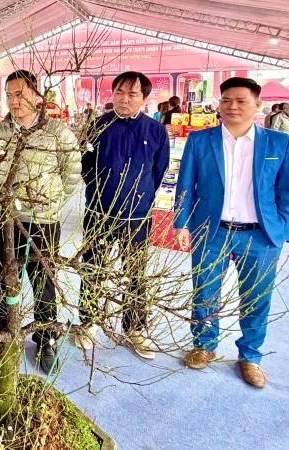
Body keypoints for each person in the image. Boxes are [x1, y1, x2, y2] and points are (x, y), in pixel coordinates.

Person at [174, 77, 289, 388]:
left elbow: (288, 192)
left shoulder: (278, 143)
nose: (232, 106)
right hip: (211, 230)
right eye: (226, 100)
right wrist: (180, 223)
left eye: (241, 101)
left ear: (258, 105)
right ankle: (204, 345)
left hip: (260, 235)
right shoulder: (201, 141)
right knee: (204, 290)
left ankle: (251, 356)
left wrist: (283, 229)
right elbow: (185, 185)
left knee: (257, 297)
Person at [0, 70, 81, 373]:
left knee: (43, 283)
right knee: (6, 279)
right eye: (9, 95)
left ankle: (45, 342)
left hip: (41, 221)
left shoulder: (58, 132)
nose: (14, 101)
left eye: (20, 93)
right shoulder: (0, 130)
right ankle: (6, 334)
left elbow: (72, 176)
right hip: (4, 219)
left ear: (36, 95)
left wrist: (49, 202)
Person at [79, 71, 170, 360]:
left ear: (144, 98)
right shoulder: (98, 126)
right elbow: (85, 166)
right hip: (99, 213)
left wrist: (139, 196)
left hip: (137, 216)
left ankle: (135, 329)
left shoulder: (156, 131)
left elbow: (159, 171)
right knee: (93, 268)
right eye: (119, 92)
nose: (124, 99)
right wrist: (99, 193)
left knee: (136, 275)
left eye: (132, 94)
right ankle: (88, 321)